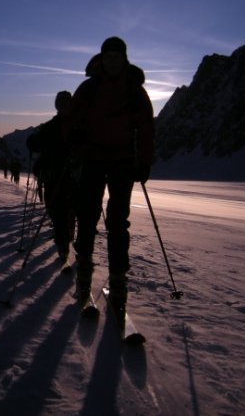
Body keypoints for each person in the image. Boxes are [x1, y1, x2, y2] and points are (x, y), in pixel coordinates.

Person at [65, 36, 155, 308]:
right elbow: (71, 121)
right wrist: (75, 141)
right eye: (108, 56)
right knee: (87, 213)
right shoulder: (90, 88)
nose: (112, 60)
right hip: (93, 157)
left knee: (117, 220)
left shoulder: (134, 90)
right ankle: (84, 268)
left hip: (123, 160)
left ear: (124, 58)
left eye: (116, 56)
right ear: (102, 58)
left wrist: (144, 161)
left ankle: (117, 278)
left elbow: (147, 129)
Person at [26, 91, 76, 261]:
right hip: (58, 175)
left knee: (65, 210)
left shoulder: (78, 125)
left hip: (69, 175)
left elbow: (36, 145)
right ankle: (65, 243)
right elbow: (36, 144)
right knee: (60, 211)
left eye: (66, 104)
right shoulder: (54, 126)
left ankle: (66, 243)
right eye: (62, 105)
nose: (64, 107)